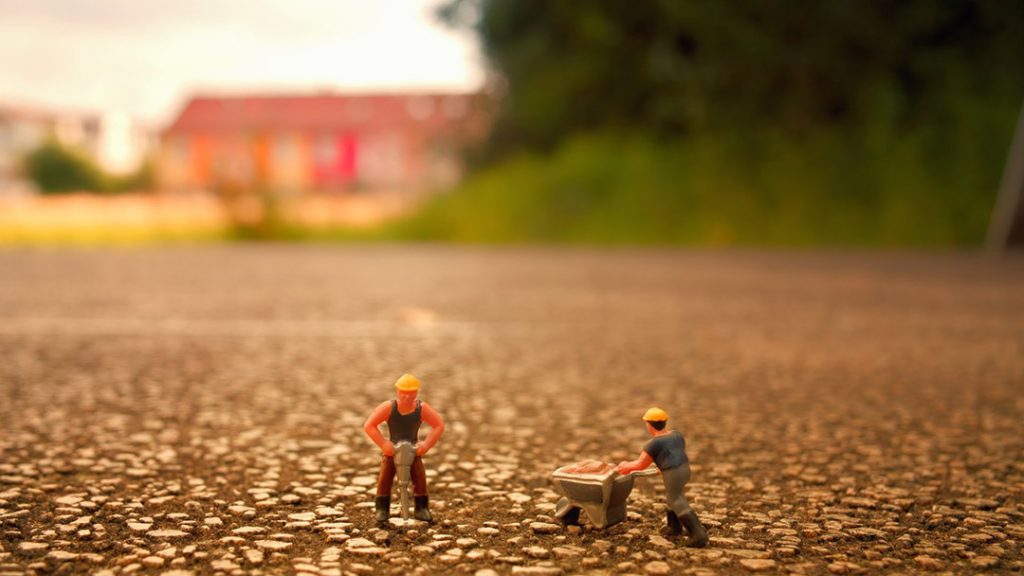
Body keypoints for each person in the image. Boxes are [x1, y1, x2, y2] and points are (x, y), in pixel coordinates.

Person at [615, 407, 708, 547]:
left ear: (649, 424)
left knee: (675, 499)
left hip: (673, 473)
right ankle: (673, 527)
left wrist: (626, 466)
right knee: (674, 496)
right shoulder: (676, 434)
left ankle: (698, 535)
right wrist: (662, 465)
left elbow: (640, 464)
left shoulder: (654, 443)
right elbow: (674, 451)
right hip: (684, 469)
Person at [363, 374, 445, 523]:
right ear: (397, 391)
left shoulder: (421, 408)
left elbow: (439, 425)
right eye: (403, 393)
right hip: (392, 451)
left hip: (413, 450)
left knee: (419, 478)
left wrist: (425, 445)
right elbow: (369, 425)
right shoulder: (388, 407)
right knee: (385, 478)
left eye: (411, 393)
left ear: (416, 393)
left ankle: (421, 508)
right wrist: (383, 444)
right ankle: (382, 508)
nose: (407, 396)